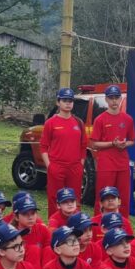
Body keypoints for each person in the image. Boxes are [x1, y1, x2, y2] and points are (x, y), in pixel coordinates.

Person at [39, 88, 87, 216]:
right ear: (58, 102)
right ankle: (55, 229)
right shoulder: (50, 123)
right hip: (56, 166)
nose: (68, 103)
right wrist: (50, 166)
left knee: (74, 199)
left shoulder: (78, 123)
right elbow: (43, 147)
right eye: (64, 100)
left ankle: (75, 227)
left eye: (70, 100)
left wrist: (81, 164)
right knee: (55, 199)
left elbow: (83, 146)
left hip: (75, 167)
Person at [89, 85, 135, 213]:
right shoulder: (100, 119)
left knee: (123, 198)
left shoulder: (128, 119)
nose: (114, 101)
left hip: (122, 164)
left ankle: (123, 226)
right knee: (103, 196)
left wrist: (124, 144)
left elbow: (132, 140)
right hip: (106, 163)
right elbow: (94, 144)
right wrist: (112, 143)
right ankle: (99, 226)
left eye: (116, 97)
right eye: (111, 98)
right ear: (106, 100)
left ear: (121, 98)